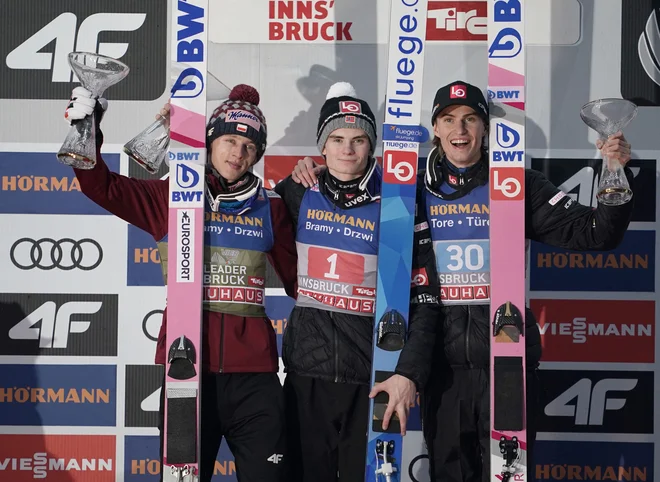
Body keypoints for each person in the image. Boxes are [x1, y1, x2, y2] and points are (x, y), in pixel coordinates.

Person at [290, 80, 635, 482]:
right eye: (449, 119)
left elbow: (597, 234)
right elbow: (347, 185)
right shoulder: (408, 191)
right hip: (441, 369)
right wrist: (311, 171)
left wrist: (614, 174)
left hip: (506, 362)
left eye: (471, 119)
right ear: (435, 128)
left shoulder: (515, 186)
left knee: (511, 475)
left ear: (485, 128)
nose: (461, 129)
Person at [63, 84, 298, 482]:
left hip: (254, 381)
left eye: (248, 146)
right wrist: (88, 125)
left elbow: (304, 284)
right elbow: (98, 185)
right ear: (210, 142)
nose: (237, 154)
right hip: (185, 374)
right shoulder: (173, 197)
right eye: (228, 140)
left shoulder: (270, 207)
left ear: (258, 154)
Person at [273, 81, 441, 482]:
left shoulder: (399, 200)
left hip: (371, 376)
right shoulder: (295, 191)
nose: (347, 149)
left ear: (372, 146)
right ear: (322, 146)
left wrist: (410, 372)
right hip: (306, 375)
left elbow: (425, 296)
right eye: (337, 138)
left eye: (359, 139)